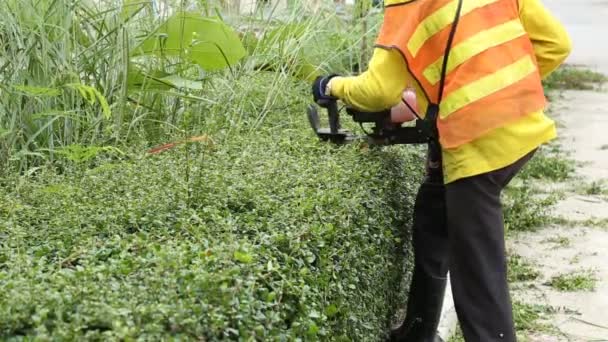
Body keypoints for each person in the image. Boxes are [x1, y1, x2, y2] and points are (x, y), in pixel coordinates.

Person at [311, 0, 571, 341]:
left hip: (479, 148)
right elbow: (556, 44)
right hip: (520, 129)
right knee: (435, 213)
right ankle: (416, 332)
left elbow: (378, 91)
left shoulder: (407, 4)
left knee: (478, 279)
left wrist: (331, 86)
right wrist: (502, 94)